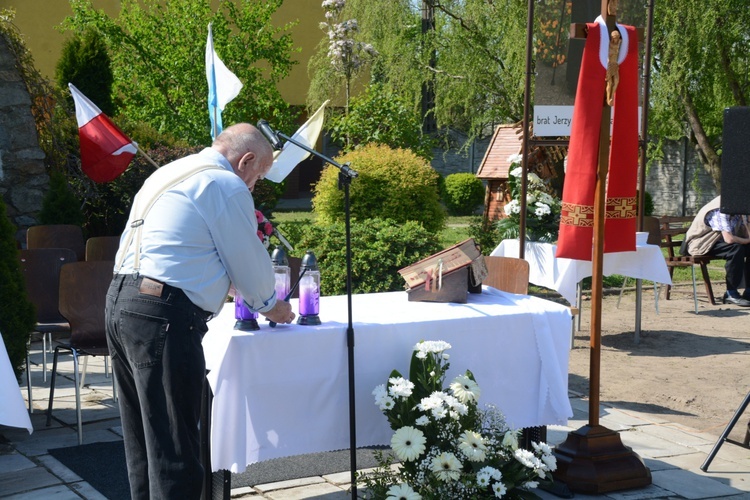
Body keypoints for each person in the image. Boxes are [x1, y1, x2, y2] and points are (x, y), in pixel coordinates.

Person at [105, 123, 295, 499]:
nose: (253, 187)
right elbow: (247, 262)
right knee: (176, 448)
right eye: (257, 177)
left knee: (144, 441)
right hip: (163, 314)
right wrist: (273, 306)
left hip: (122, 302)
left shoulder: (170, 172)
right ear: (247, 160)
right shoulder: (223, 184)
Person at [682, 195, 750, 306]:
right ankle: (731, 293)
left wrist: (747, 221)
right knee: (736, 249)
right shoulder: (719, 210)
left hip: (719, 242)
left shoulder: (739, 210)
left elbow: (746, 235)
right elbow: (729, 239)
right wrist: (747, 240)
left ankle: (749, 291)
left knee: (741, 248)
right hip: (701, 244)